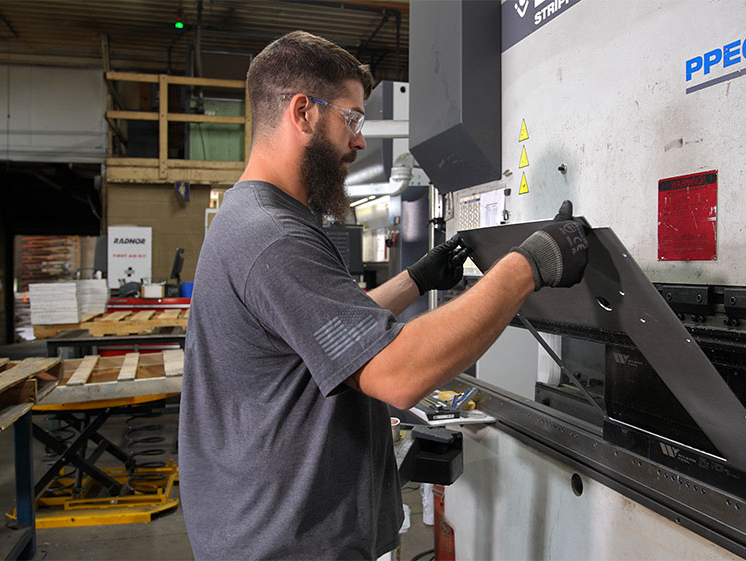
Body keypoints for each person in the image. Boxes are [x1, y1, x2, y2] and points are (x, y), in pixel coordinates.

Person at [178, 31, 589, 560]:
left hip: (263, 532)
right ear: (303, 113)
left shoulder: (250, 220)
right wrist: (531, 263)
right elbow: (397, 375)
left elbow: (321, 339)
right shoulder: (273, 238)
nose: (358, 141)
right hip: (286, 545)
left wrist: (416, 279)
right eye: (351, 119)